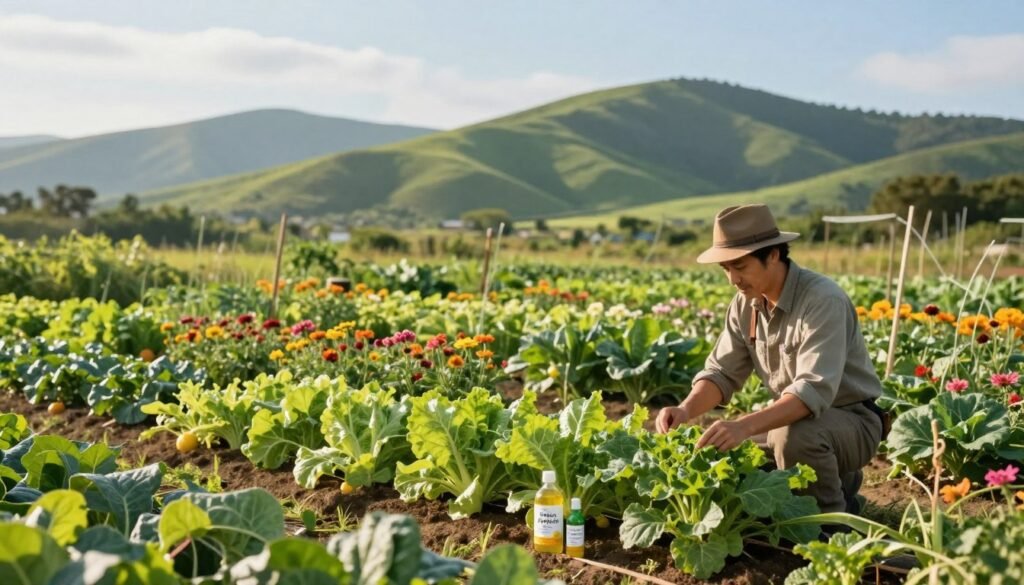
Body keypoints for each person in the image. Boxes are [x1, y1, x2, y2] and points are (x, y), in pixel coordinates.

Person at [655, 204, 885, 514]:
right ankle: (838, 480)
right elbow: (721, 373)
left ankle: (832, 527)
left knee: (792, 437)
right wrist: (684, 410)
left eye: (740, 266)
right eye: (726, 269)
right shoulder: (746, 304)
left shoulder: (821, 300)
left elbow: (812, 392)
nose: (733, 279)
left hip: (851, 421)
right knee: (720, 454)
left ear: (773, 255)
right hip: (793, 421)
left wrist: (743, 426)